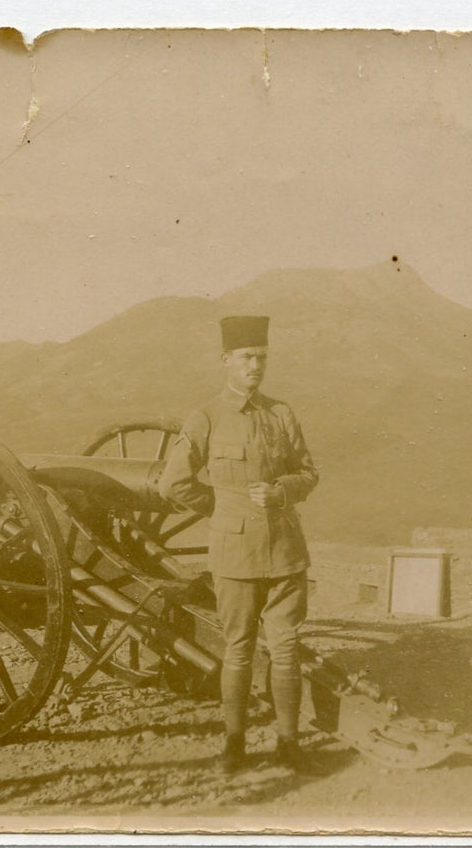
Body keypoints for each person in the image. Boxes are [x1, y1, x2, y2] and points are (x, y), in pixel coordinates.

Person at [158, 315, 319, 775]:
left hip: (286, 551)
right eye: (247, 357)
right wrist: (220, 507)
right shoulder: (205, 417)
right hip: (235, 555)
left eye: (262, 358)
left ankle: (289, 745)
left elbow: (309, 472)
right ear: (225, 360)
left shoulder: (282, 414)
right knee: (239, 649)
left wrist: (282, 490)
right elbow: (174, 484)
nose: (256, 366)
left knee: (286, 649)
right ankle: (235, 745)